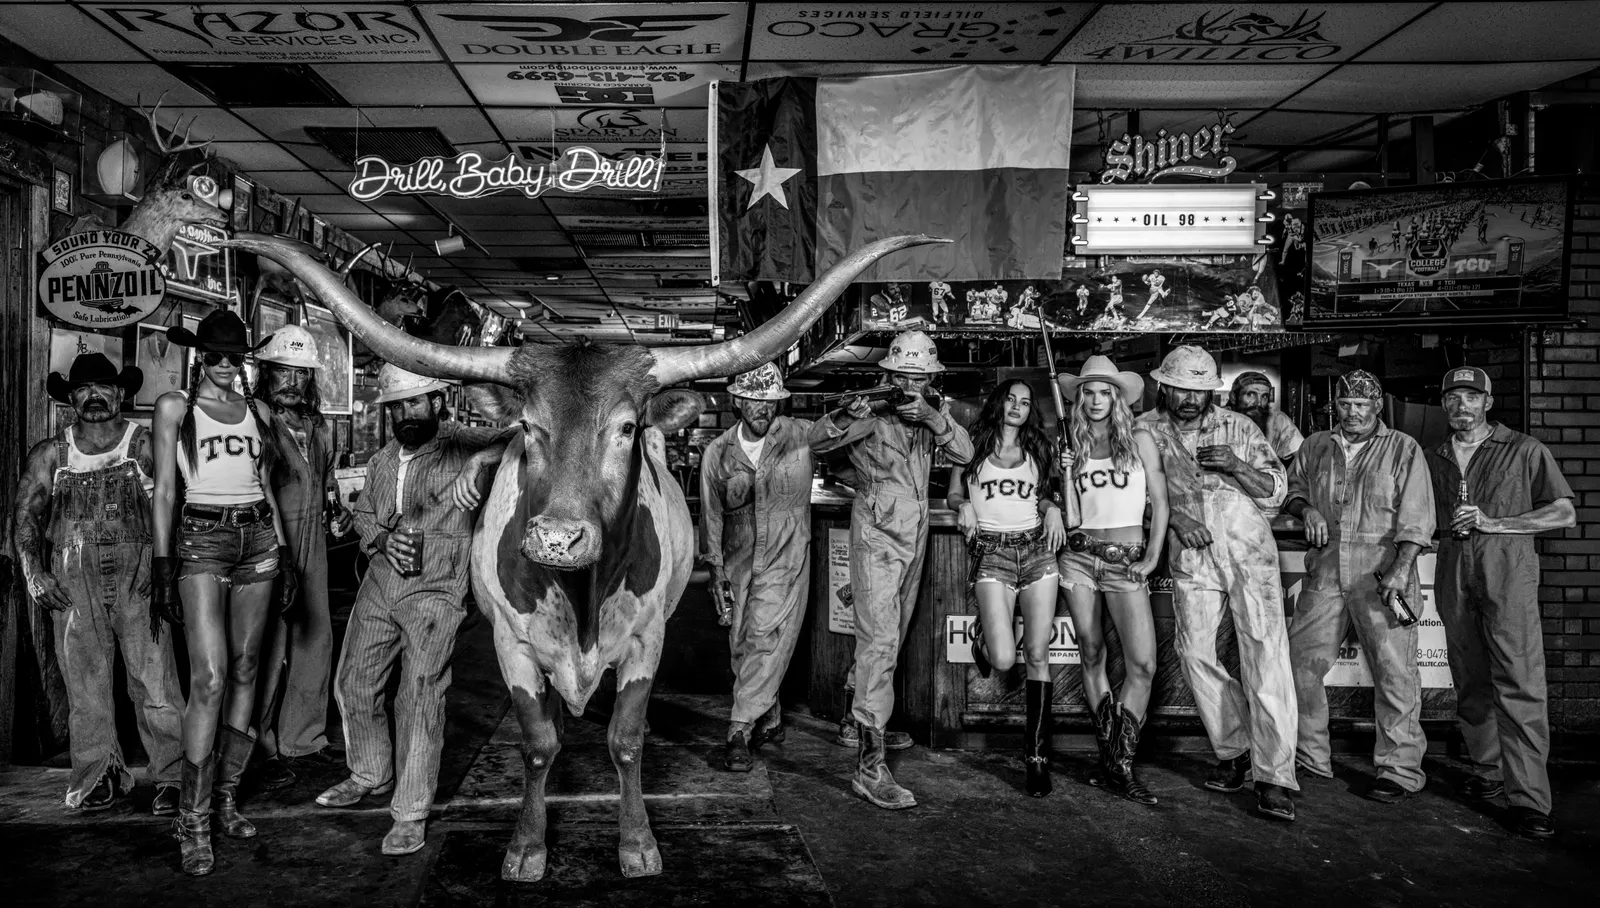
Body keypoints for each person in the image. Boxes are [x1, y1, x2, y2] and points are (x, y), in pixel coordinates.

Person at [317, 364, 507, 857]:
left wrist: (477, 464)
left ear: (437, 401)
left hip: (437, 589)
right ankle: (369, 771)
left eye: (414, 403)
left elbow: (523, 434)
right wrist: (381, 537)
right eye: (397, 406)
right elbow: (362, 516)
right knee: (354, 680)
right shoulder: (382, 460)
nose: (406, 414)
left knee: (419, 694)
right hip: (381, 580)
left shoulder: (462, 442)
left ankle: (411, 811)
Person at [152, 311, 295, 876]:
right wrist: (164, 565)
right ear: (199, 358)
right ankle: (193, 816)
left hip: (258, 535)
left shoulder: (259, 412)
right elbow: (165, 490)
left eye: (236, 357)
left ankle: (227, 796)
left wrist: (283, 553)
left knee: (244, 666)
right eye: (216, 357)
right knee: (208, 675)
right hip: (202, 539)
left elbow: (265, 487)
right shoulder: (175, 409)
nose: (226, 367)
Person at [12, 354, 185, 815]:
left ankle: (171, 776)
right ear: (71, 397)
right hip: (72, 582)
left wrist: (165, 566)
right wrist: (33, 573)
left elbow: (178, 504)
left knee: (156, 685)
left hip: (139, 576)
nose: (94, 396)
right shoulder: (51, 453)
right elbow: (26, 516)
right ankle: (97, 776)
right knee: (85, 688)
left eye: (104, 388)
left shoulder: (145, 443)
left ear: (121, 394)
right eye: (84, 389)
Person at [809, 330, 973, 810]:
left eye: (920, 379)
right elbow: (817, 441)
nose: (911, 386)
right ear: (888, 376)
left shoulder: (929, 414)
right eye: (903, 377)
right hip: (878, 536)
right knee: (879, 640)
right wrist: (845, 414)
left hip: (915, 535)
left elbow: (965, 453)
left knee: (891, 636)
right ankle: (869, 765)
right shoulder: (871, 413)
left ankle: (855, 722)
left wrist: (934, 417)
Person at [1136, 346, 1299, 822]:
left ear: (1212, 391)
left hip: (1248, 548)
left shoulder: (1240, 428)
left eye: (1199, 390)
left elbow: (1276, 490)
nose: (1189, 398)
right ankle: (1236, 750)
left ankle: (1274, 777)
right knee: (1194, 652)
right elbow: (1131, 494)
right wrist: (1176, 517)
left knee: (1266, 656)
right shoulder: (1144, 429)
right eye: (1181, 388)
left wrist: (1235, 465)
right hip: (1192, 553)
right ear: (1163, 385)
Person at [1425, 366, 1575, 839]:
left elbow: (1564, 512)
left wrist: (1497, 524)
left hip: (1506, 571)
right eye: (1453, 397)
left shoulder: (1524, 449)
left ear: (1489, 402)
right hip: (1453, 571)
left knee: (1519, 681)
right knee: (1470, 679)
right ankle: (1488, 774)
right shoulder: (1435, 456)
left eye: (1472, 397)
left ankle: (1530, 800)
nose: (1461, 406)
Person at [1284, 370, 1435, 803]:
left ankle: (1399, 770)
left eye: (1361, 405)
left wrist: (1402, 569)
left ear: (1377, 407)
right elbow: (1290, 490)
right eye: (1345, 404)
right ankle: (1310, 755)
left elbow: (1418, 517)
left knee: (1395, 673)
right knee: (1300, 664)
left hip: (1384, 571)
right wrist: (1306, 507)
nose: (1352, 412)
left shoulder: (1403, 448)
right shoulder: (1316, 445)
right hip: (1328, 569)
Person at [1056, 357, 1168, 806]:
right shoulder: (1069, 441)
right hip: (1078, 559)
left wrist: (1153, 557)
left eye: (1105, 392)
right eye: (1088, 392)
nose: (1096, 400)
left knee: (1143, 665)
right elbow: (1064, 512)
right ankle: (1116, 765)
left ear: (1117, 397)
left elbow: (1160, 503)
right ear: (1079, 397)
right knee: (1092, 653)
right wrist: (1062, 473)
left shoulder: (1140, 437)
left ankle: (1116, 763)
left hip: (1126, 564)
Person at [945, 380, 1066, 797]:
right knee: (1001, 657)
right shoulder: (971, 445)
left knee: (1037, 653)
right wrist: (962, 506)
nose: (1017, 407)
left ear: (1032, 410)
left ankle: (1036, 758)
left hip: (1037, 553)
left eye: (1026, 402)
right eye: (1011, 399)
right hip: (992, 554)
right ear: (999, 403)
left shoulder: (1039, 448)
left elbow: (1048, 493)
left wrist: (1051, 509)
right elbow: (953, 493)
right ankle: (983, 634)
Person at [698, 363, 818, 772]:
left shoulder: (800, 435)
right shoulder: (718, 453)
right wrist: (714, 568)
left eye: (769, 401)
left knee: (765, 635)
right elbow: (712, 515)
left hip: (786, 553)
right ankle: (769, 714)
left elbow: (838, 433)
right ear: (736, 401)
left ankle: (738, 730)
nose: (762, 409)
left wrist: (849, 414)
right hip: (738, 555)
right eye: (753, 400)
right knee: (742, 641)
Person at [251, 326, 354, 789]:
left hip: (314, 536)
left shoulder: (318, 428)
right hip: (270, 539)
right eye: (282, 372)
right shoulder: (254, 420)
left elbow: (327, 483)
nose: (291, 381)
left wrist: (340, 514)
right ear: (266, 374)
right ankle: (259, 742)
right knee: (268, 645)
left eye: (300, 373)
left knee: (315, 640)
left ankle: (304, 739)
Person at [1227, 371, 1303, 467]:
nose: (1258, 403)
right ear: (1233, 397)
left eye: (1264, 396)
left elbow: (1303, 457)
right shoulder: (1218, 420)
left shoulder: (1277, 420)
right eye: (1250, 394)